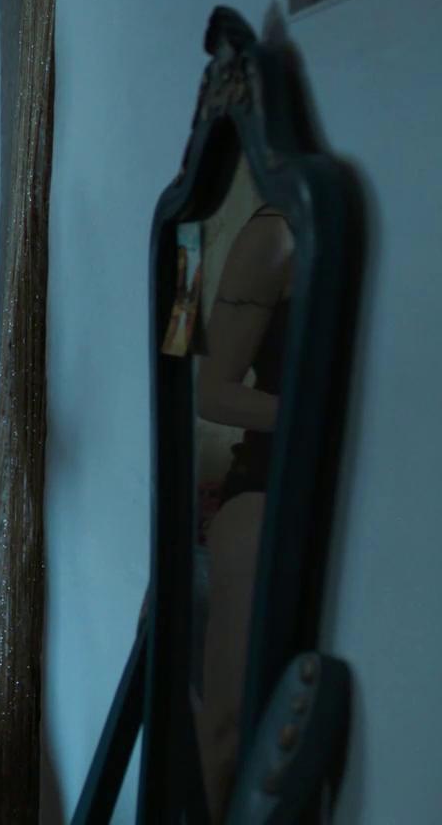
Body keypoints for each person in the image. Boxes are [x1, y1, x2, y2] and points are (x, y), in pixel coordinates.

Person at [192, 204, 294, 822]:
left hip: (378, 491)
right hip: (266, 487)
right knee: (230, 725)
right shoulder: (276, 234)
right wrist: (315, 411)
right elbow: (212, 392)